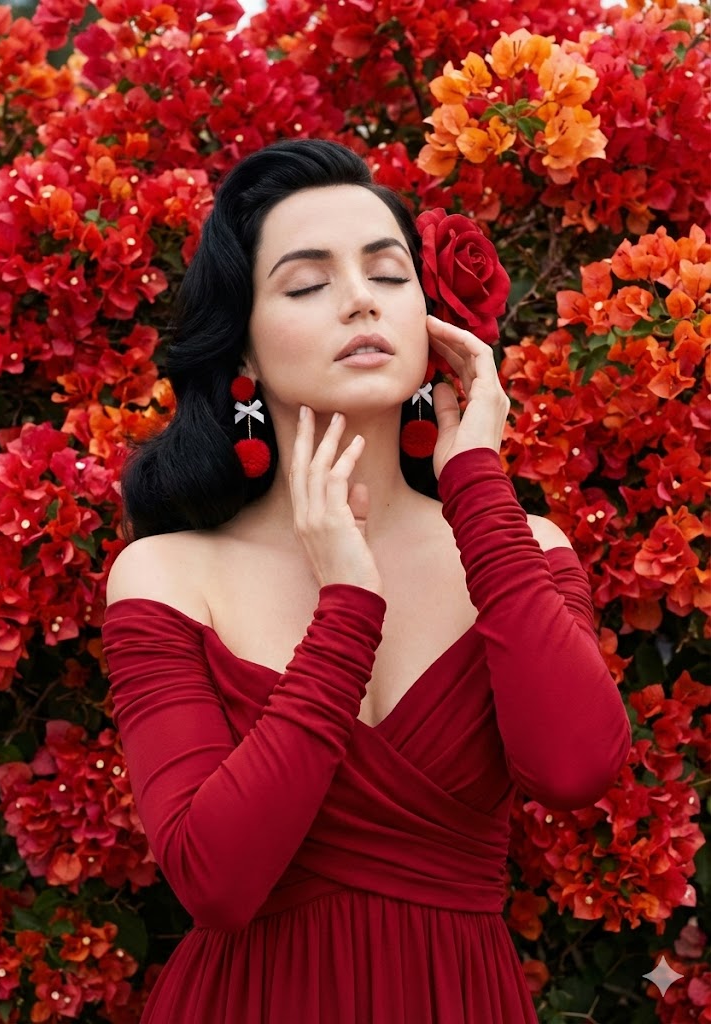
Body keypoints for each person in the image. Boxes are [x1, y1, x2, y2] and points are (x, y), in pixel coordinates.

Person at [101, 139, 632, 1023]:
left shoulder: (522, 547)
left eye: (388, 274)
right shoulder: (167, 575)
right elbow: (216, 882)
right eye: (306, 284)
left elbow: (576, 767)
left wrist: (478, 484)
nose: (359, 300)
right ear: (242, 346)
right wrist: (345, 610)